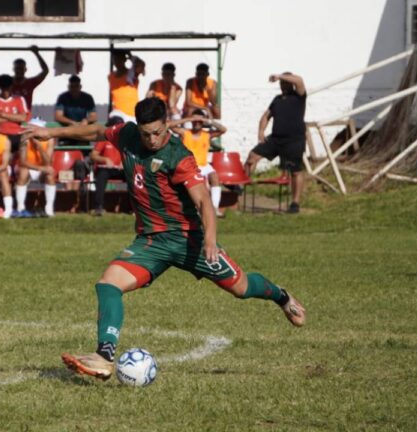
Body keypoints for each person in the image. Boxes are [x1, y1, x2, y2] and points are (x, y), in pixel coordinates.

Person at [22, 97, 306, 381]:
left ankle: (282, 297)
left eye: (157, 132)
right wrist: (51, 132)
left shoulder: (178, 156)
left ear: (166, 125)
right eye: (146, 134)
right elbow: (96, 131)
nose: (152, 139)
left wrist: (209, 240)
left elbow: (204, 200)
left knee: (241, 288)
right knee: (108, 285)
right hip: (151, 242)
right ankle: (104, 356)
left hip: (189, 241)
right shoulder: (127, 135)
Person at [245, 73, 307, 214]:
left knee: (295, 171)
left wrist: (280, 76)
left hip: (294, 140)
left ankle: (295, 203)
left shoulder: (298, 96)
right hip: (275, 139)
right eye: (282, 82)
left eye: (285, 82)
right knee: (252, 157)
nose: (283, 84)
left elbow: (300, 81)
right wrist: (261, 131)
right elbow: (266, 116)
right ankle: (241, 188)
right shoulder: (277, 100)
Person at [170, 109, 227, 216]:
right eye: (195, 121)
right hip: (189, 165)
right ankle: (196, 208)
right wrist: (188, 118)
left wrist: (207, 120)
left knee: (214, 176)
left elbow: (223, 130)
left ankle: (214, 208)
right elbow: (170, 126)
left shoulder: (207, 135)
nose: (197, 123)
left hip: (203, 165)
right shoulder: (185, 133)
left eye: (199, 121)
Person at [0, 45, 49, 110]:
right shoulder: (6, 81)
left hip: (23, 118)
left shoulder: (30, 83)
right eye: (17, 68)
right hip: (9, 116)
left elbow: (45, 71)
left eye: (21, 69)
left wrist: (36, 53)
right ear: (13, 69)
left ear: (25, 70)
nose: (19, 71)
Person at [15, 118, 56, 217]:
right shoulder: (24, 138)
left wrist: (39, 147)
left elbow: (48, 162)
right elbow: (23, 161)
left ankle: (49, 208)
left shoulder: (50, 140)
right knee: (23, 172)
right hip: (29, 167)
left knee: (50, 173)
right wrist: (40, 168)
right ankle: (20, 207)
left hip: (42, 168)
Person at [89, 117, 126, 216]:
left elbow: (132, 155)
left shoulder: (126, 140)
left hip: (121, 169)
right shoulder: (104, 138)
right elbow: (93, 155)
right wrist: (105, 159)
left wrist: (125, 163)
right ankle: (98, 207)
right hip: (106, 169)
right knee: (101, 175)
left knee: (134, 175)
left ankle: (134, 208)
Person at [0, 74, 31, 153]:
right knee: (3, 145)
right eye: (3, 87)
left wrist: (3, 115)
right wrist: (14, 118)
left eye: (7, 87)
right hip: (0, 134)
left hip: (17, 134)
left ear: (11, 86)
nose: (5, 90)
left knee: (26, 143)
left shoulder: (19, 99)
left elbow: (22, 118)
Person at [54, 75, 97, 147]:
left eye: (76, 86)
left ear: (80, 86)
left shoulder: (88, 98)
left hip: (82, 131)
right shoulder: (62, 98)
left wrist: (86, 120)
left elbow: (94, 116)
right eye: (72, 86)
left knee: (84, 152)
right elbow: (58, 116)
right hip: (67, 132)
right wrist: (72, 122)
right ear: (69, 86)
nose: (74, 89)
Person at [108, 50, 144, 123]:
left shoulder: (131, 75)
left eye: (119, 59)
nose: (116, 62)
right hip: (117, 113)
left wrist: (130, 56)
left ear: (124, 59)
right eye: (115, 59)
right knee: (116, 122)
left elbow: (141, 66)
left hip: (132, 114)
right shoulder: (111, 76)